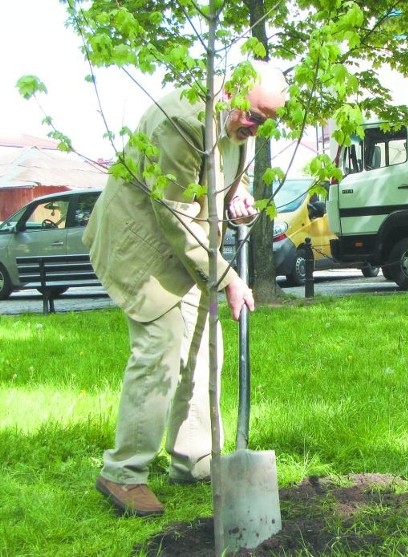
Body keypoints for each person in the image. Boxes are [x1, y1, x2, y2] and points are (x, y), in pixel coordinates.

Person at [83, 61, 288, 517]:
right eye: (254, 115)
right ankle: (123, 472)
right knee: (160, 347)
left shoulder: (241, 127)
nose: (255, 128)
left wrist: (235, 195)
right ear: (232, 88)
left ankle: (192, 457)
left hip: (191, 248)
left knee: (204, 343)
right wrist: (228, 277)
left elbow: (223, 174)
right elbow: (173, 214)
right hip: (142, 242)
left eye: (267, 121)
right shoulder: (181, 120)